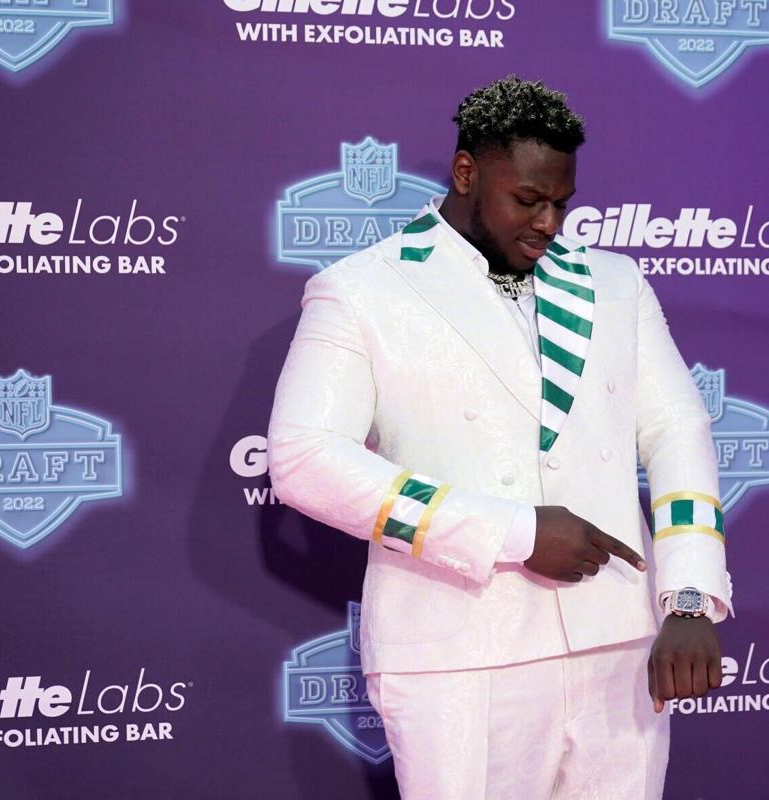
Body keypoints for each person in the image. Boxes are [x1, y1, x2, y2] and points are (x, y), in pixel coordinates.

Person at [268, 75, 732, 800]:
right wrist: (510, 531)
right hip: (457, 651)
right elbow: (302, 460)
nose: (549, 222)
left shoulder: (615, 284)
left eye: (561, 203)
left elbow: (679, 431)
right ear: (465, 173)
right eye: (528, 199)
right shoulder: (363, 289)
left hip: (616, 638)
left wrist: (691, 597)